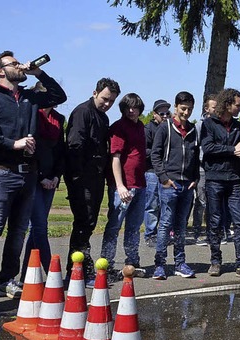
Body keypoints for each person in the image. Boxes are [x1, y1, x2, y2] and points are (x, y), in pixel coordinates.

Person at [0, 51, 66, 304]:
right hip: (2, 172)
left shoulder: (29, 97)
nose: (19, 65)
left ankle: (6, 281)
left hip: (29, 174)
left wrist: (38, 72)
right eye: (13, 63)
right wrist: (12, 143)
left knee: (19, 231)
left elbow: (59, 96)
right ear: (1, 71)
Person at [64, 78, 120, 286]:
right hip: (82, 178)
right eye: (105, 99)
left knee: (89, 222)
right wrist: (78, 178)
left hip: (96, 178)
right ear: (95, 92)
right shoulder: (83, 112)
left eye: (111, 101)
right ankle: (75, 270)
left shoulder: (103, 118)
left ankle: (81, 266)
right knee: (83, 222)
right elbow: (75, 145)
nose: (107, 104)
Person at [201, 88, 240, 280]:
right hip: (214, 179)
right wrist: (232, 150)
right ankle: (215, 261)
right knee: (215, 221)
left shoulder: (238, 125)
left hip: (234, 180)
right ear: (227, 104)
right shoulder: (209, 124)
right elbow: (208, 148)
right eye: (238, 105)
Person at [150, 91, 200, 280]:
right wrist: (163, 177)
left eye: (189, 109)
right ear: (176, 107)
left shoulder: (194, 130)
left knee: (181, 226)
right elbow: (155, 154)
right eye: (183, 108)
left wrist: (195, 177)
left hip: (187, 185)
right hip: (170, 183)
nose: (186, 112)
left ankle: (180, 263)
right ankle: (160, 264)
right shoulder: (166, 128)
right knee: (165, 224)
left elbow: (195, 156)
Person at [100, 93, 147, 281]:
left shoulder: (141, 126)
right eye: (128, 107)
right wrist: (120, 186)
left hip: (140, 184)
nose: (131, 110)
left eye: (135, 107)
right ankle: (107, 264)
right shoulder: (118, 128)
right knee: (114, 226)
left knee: (134, 227)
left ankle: (132, 261)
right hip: (123, 186)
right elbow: (115, 158)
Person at [20, 82, 65, 278]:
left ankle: (26, 276)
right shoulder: (31, 115)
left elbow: (60, 150)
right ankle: (51, 272)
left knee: (37, 228)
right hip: (33, 177)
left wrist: (55, 176)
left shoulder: (58, 118)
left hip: (51, 180)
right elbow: (29, 150)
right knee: (39, 226)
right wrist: (41, 178)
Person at [143, 99, 171, 247]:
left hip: (167, 173)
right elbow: (143, 149)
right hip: (152, 172)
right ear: (154, 114)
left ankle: (164, 233)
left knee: (166, 204)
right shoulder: (148, 129)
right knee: (152, 205)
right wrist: (157, 152)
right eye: (162, 113)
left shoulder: (170, 128)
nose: (165, 116)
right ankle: (150, 234)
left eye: (168, 112)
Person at [191, 94, 216, 246]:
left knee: (212, 203)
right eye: (214, 107)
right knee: (201, 202)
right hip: (201, 169)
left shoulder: (217, 124)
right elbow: (195, 148)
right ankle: (196, 232)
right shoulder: (200, 126)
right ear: (207, 109)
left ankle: (211, 232)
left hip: (213, 170)